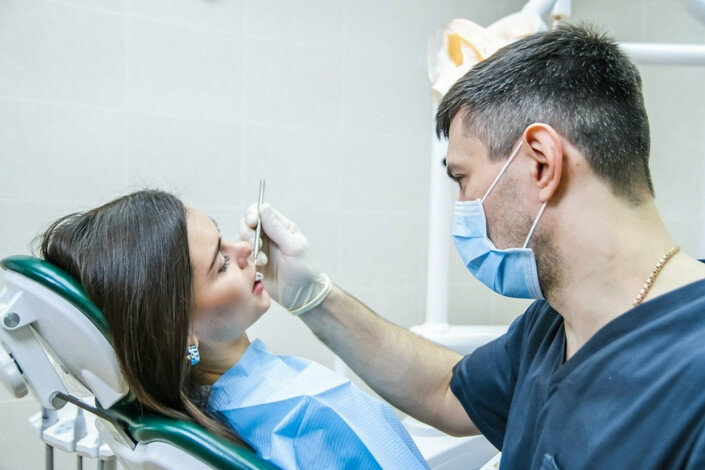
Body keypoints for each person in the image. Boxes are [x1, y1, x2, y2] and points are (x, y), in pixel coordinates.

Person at [240, 24, 705, 469]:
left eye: (462, 178)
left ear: (541, 164)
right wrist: (315, 297)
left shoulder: (690, 376)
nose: (462, 207)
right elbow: (446, 391)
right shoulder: (554, 323)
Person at [38, 189, 428, 470]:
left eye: (222, 235)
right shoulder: (312, 410)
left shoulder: (189, 415)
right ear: (179, 333)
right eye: (221, 263)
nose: (244, 249)